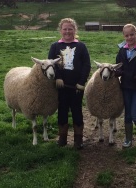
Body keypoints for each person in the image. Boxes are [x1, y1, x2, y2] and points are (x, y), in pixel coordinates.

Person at [48, 18, 91, 149]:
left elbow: (86, 65)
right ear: (61, 30)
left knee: (77, 110)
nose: (67, 31)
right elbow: (50, 63)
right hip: (61, 86)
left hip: (77, 87)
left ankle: (78, 139)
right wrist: (58, 77)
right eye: (65, 29)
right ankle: (62, 138)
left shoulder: (81, 46)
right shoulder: (55, 46)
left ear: (74, 30)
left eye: (70, 29)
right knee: (62, 110)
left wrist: (81, 82)